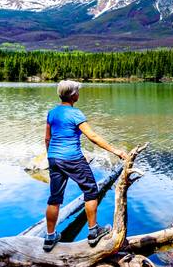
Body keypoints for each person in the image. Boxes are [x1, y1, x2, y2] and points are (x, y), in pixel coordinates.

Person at [42, 80, 129, 252]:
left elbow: (47, 138)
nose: (78, 94)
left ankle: (50, 237)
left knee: (54, 198)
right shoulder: (76, 114)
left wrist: (51, 156)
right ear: (73, 95)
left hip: (54, 158)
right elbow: (93, 137)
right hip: (72, 158)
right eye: (77, 92)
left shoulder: (52, 113)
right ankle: (93, 232)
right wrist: (116, 151)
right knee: (90, 191)